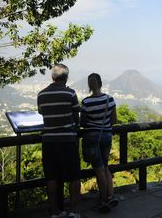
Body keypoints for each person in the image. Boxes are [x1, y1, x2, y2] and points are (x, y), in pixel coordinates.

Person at [37, 64, 81, 218]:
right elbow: (77, 117)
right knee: (74, 176)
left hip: (48, 141)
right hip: (67, 140)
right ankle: (73, 210)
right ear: (66, 77)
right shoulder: (70, 93)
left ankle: (55, 211)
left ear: (52, 77)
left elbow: (42, 113)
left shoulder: (41, 94)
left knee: (51, 177)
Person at [80, 73, 118, 213]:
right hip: (107, 136)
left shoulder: (86, 102)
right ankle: (111, 195)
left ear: (89, 85)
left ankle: (104, 201)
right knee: (105, 166)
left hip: (92, 138)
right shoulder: (110, 99)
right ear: (101, 83)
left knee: (99, 168)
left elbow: (82, 123)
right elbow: (114, 120)